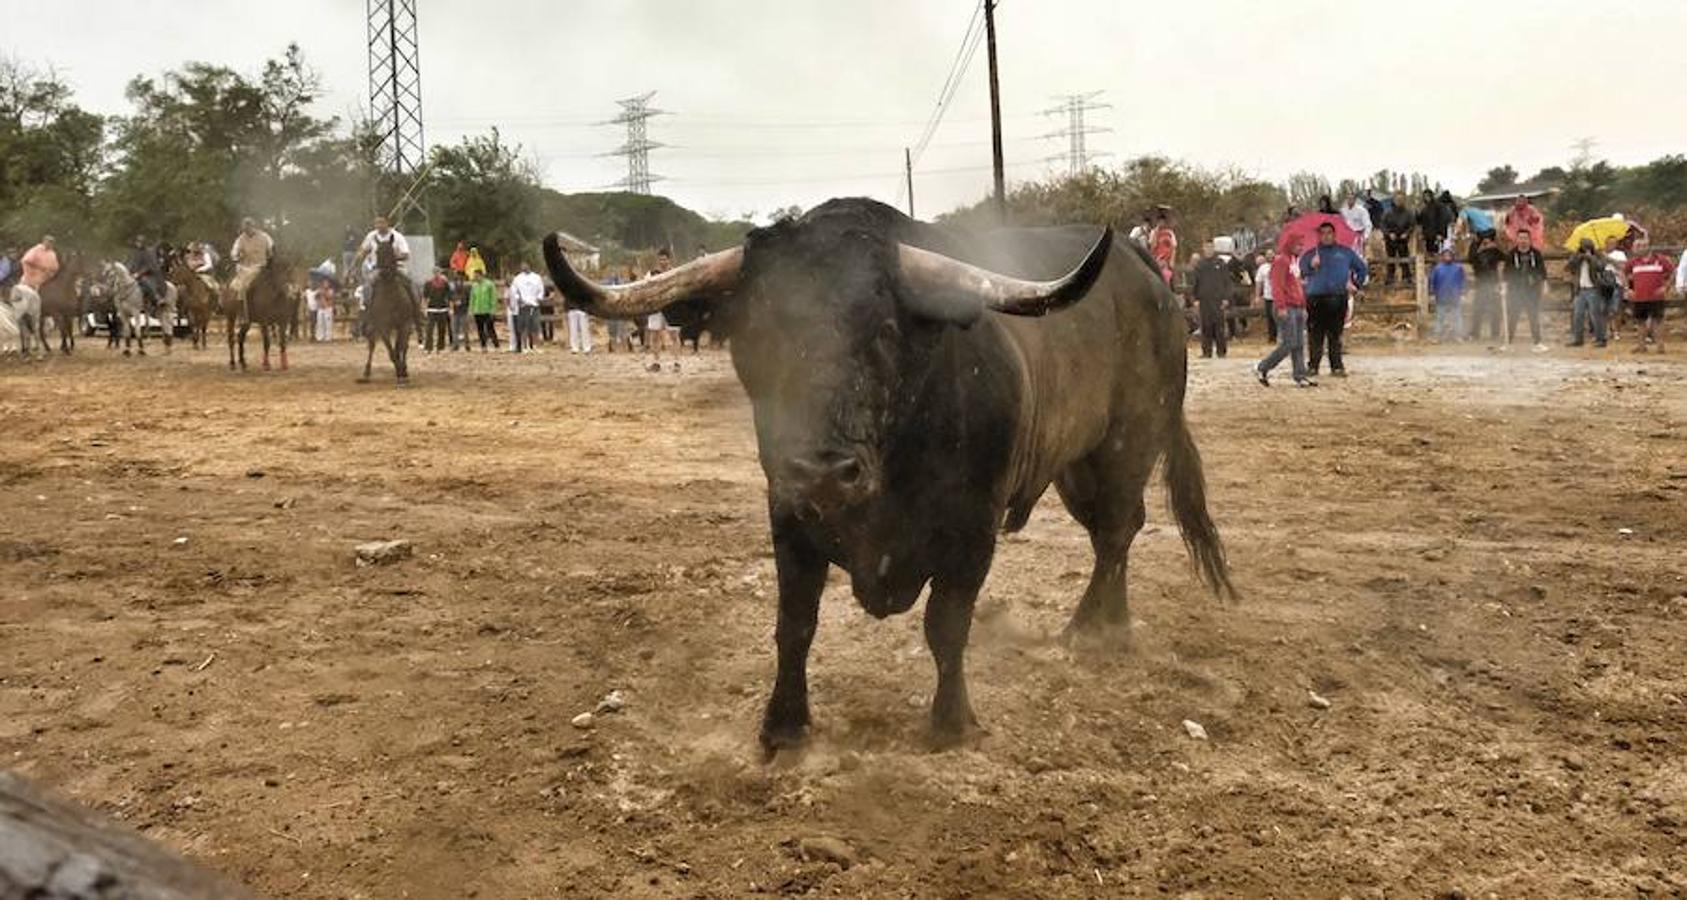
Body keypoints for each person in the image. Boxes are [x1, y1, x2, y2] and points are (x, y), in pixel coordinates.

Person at [1299, 222, 1368, 377]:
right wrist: (1311, 265)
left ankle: (1336, 366)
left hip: (1338, 297)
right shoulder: (1310, 254)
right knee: (1315, 334)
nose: (1326, 236)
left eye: (1329, 232)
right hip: (1315, 298)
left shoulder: (1345, 252)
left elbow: (1362, 268)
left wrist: (1355, 284)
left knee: (1335, 334)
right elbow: (1302, 270)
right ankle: (1313, 366)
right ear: (1319, 235)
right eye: (1322, 233)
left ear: (1334, 234)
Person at [1254, 234, 1313, 388]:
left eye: (1302, 245)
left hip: (1297, 306)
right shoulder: (1281, 261)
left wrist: (1303, 305)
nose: (1301, 248)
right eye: (1298, 245)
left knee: (1299, 343)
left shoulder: (1294, 262)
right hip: (1286, 306)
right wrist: (1280, 306)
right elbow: (1277, 286)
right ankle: (1263, 367)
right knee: (1288, 343)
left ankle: (1300, 375)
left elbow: (1298, 287)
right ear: (1290, 245)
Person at [1624, 239, 1673, 353]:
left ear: (1648, 247)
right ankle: (1641, 346)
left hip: (1656, 296)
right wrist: (1628, 289)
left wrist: (1666, 287)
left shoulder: (1660, 259)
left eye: (1641, 246)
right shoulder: (1633, 262)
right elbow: (1624, 273)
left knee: (1658, 320)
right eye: (1637, 246)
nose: (1638, 249)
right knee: (1640, 321)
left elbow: (1672, 272)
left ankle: (1660, 346)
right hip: (1639, 296)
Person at [1188, 242, 1233, 359]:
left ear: (1214, 248)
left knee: (1219, 326)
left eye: (1211, 247)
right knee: (1206, 326)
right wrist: (1195, 298)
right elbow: (1195, 283)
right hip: (1204, 300)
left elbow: (1227, 282)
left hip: (1218, 299)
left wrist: (1226, 298)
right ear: (1203, 249)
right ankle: (1206, 351)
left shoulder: (1220, 263)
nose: (1209, 250)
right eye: (1206, 247)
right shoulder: (1200, 265)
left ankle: (1221, 351)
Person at [1504, 231, 1547, 350]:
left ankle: (1537, 342)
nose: (1523, 240)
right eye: (1520, 238)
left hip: (1532, 291)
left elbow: (1542, 272)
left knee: (1534, 317)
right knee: (1512, 317)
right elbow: (1506, 273)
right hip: (1515, 290)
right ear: (1516, 239)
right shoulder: (1511, 254)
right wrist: (1505, 287)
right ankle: (1508, 342)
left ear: (1529, 239)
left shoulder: (1536, 254)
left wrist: (1543, 286)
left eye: (1525, 238)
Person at [1566, 238, 1610, 347]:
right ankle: (1578, 339)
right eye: (1583, 246)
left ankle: (1601, 339)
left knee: (1595, 315)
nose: (1585, 248)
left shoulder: (1599, 255)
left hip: (1593, 289)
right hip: (1580, 289)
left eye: (1587, 246)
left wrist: (1591, 259)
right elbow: (1569, 266)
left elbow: (1601, 267)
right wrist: (1579, 257)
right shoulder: (1576, 256)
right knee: (1577, 315)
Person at [1467, 234, 1505, 341]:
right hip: (1481, 283)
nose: (1486, 243)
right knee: (1478, 309)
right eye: (1484, 241)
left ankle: (1495, 333)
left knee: (1496, 310)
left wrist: (1497, 246)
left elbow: (1505, 256)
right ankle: (1475, 333)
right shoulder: (1476, 249)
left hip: (1493, 282)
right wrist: (1480, 248)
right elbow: (1470, 259)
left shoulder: (1494, 251)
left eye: (1488, 241)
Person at [229, 218, 274, 306]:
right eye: (245, 228)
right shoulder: (240, 239)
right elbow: (234, 251)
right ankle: (235, 305)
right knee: (233, 286)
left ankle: (241, 304)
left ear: (253, 227)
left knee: (244, 284)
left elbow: (271, 248)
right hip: (245, 267)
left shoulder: (265, 236)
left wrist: (270, 255)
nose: (247, 230)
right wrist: (236, 256)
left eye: (249, 227)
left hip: (260, 266)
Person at [644, 248, 675, 368]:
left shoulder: (675, 272)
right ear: (658, 260)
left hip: (671, 308)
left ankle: (676, 362)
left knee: (674, 335)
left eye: (665, 259)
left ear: (669, 260)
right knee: (655, 335)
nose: (663, 262)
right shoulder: (651, 274)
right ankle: (656, 362)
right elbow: (644, 288)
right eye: (661, 259)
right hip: (656, 308)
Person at [1428, 248, 1466, 342]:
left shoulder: (1458, 268)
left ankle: (1458, 336)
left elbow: (1463, 281)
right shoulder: (1438, 268)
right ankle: (1437, 336)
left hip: (1455, 296)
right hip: (1441, 296)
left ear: (1452, 257)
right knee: (1440, 317)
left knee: (1457, 317)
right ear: (1442, 257)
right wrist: (1432, 293)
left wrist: (1463, 293)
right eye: (1445, 255)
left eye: (1449, 255)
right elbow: (1433, 282)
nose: (1447, 257)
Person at [1380, 191, 1416, 286]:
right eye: (1397, 199)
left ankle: (1407, 278)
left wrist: (1407, 233)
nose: (1399, 201)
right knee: (1390, 259)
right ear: (1394, 200)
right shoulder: (1388, 213)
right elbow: (1383, 225)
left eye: (1401, 199)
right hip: (1390, 240)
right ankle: (1390, 278)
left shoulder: (1408, 213)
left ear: (1404, 200)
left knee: (1404, 259)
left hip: (1403, 240)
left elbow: (1412, 225)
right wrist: (1389, 234)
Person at [510, 263, 545, 353]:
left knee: (535, 326)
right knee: (523, 327)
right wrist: (519, 299)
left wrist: (539, 298)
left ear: (529, 266)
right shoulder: (517, 278)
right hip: (523, 305)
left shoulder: (536, 277)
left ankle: (535, 346)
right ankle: (525, 347)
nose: (524, 267)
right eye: (522, 266)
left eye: (526, 266)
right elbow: (514, 291)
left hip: (534, 305)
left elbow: (541, 289)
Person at [422, 267, 452, 352]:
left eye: (438, 272)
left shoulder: (445, 283)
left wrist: (450, 308)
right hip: (432, 309)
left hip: (442, 308)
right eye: (435, 272)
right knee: (429, 329)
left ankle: (440, 347)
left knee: (442, 329)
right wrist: (424, 307)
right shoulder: (428, 283)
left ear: (440, 273)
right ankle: (428, 347)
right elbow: (425, 296)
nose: (436, 274)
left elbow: (449, 296)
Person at [468, 269, 498, 351]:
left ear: (481, 275)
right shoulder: (474, 286)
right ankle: (483, 346)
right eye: (474, 276)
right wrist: (471, 310)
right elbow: (472, 298)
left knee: (490, 328)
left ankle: (496, 345)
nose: (475, 277)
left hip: (487, 310)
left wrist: (493, 309)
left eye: (476, 275)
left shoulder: (489, 284)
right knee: (480, 329)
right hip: (477, 310)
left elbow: (493, 297)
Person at [1253, 248, 1277, 342]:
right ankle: (1272, 338)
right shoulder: (1263, 268)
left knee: (1279, 318)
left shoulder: (1279, 264)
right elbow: (1259, 282)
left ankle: (1280, 336)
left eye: (1271, 254)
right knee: (1270, 318)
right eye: (1268, 254)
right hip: (1268, 296)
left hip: (1279, 296)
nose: (1270, 256)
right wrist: (1257, 296)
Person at [1416, 189, 1450, 255]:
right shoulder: (1424, 208)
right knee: (1429, 253)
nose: (1426, 198)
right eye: (1425, 196)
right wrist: (1417, 213)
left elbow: (1442, 220)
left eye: (1428, 196)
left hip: (1437, 235)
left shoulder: (1439, 206)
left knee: (1437, 253)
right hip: (1428, 235)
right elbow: (1421, 221)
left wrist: (1441, 233)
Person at [1148, 209, 1178, 284]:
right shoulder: (1153, 232)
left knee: (1168, 277)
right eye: (1159, 222)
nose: (1161, 223)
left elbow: (1174, 247)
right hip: (1157, 259)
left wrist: (1171, 260)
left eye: (1162, 222)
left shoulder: (1170, 233)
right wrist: (1156, 233)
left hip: (1167, 260)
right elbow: (1152, 246)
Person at [565, 283, 593, 354]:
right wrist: (566, 309)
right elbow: (566, 299)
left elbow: (588, 299)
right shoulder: (568, 289)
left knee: (584, 329)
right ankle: (575, 347)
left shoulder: (584, 288)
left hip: (582, 310)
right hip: (572, 309)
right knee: (573, 329)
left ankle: (586, 347)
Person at [448, 272, 471, 351]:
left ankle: (467, 344)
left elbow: (469, 299)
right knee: (455, 329)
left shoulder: (466, 289)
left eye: (460, 280)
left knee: (465, 329)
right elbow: (449, 299)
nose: (458, 282)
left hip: (464, 311)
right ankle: (455, 345)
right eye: (456, 280)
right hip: (455, 311)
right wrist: (453, 304)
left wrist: (463, 303)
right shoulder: (452, 290)